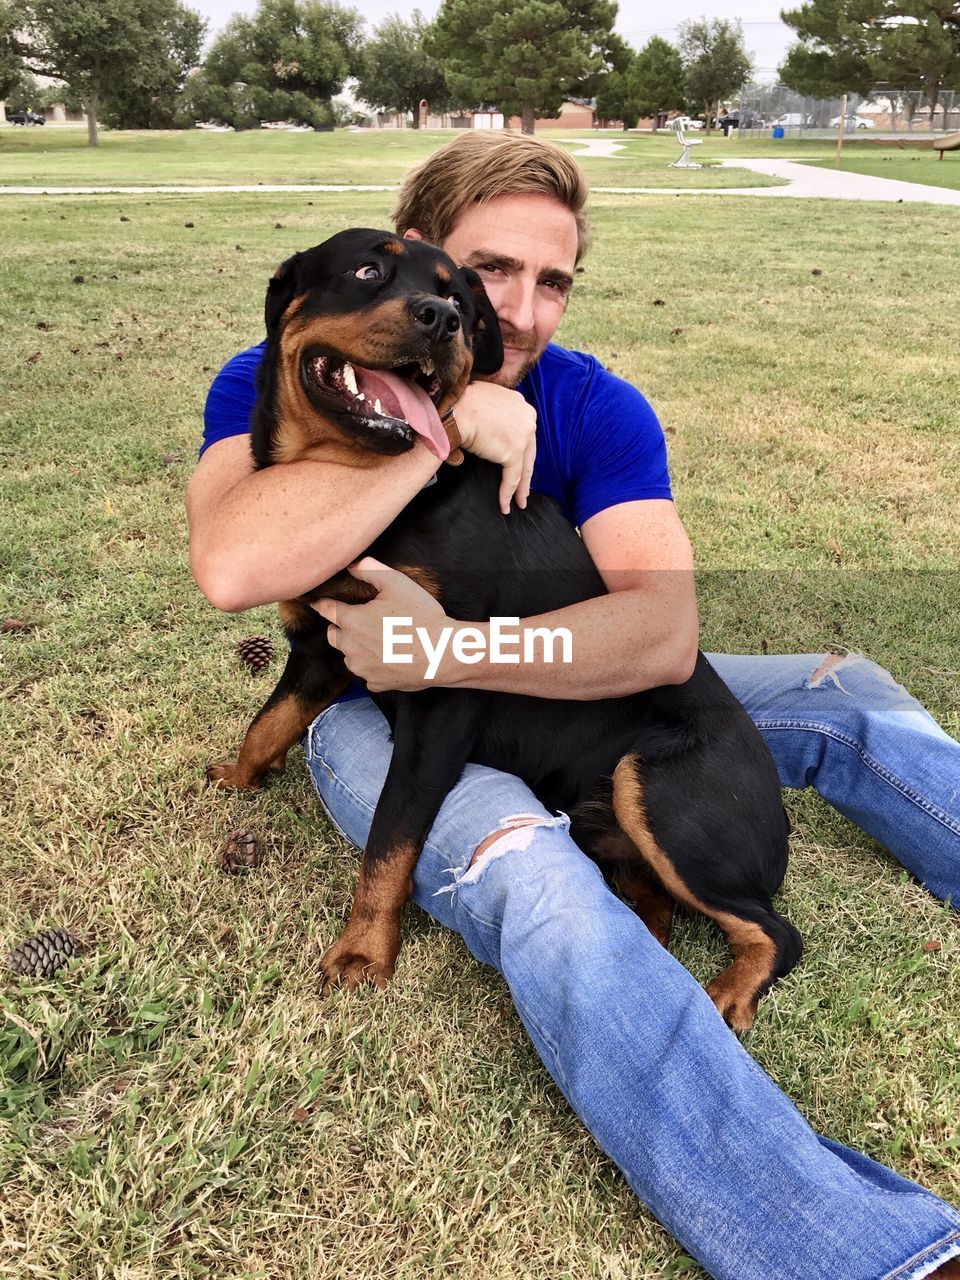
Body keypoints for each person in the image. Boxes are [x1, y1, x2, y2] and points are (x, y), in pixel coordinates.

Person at [187, 132, 960, 1279]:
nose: (517, 313)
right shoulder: (287, 375)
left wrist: (451, 647)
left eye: (552, 281)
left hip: (545, 684)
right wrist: (440, 432)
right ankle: (854, 1251)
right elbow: (234, 570)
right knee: (530, 864)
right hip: (382, 713)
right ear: (415, 252)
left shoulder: (596, 403)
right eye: (486, 272)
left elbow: (661, 632)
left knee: (841, 690)